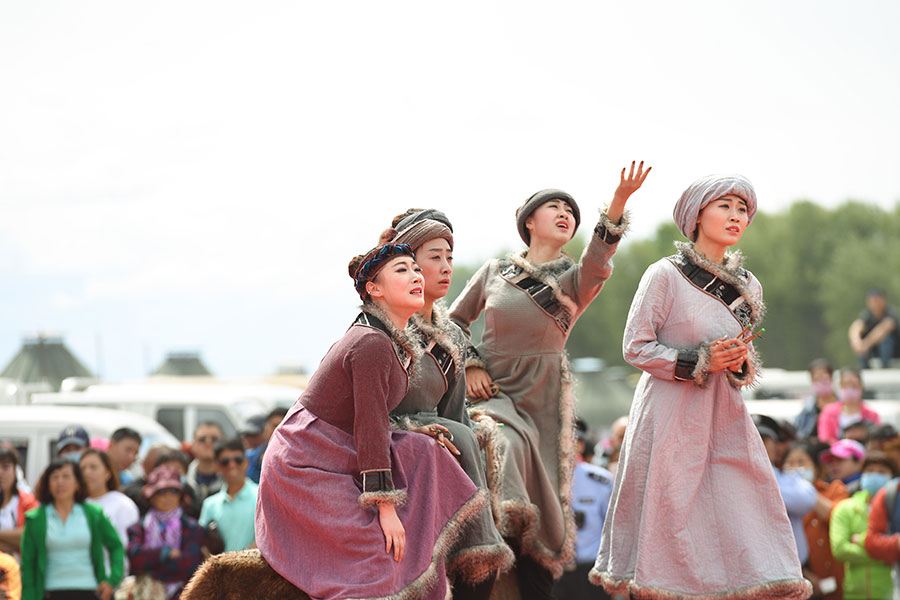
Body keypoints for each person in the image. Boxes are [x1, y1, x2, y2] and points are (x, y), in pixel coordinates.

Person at [591, 174, 811, 598]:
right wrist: (701, 359)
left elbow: (744, 358)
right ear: (696, 215)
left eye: (742, 209)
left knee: (740, 506)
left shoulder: (749, 285)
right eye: (724, 206)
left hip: (724, 414)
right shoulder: (664, 274)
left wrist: (738, 362)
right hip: (670, 410)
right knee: (670, 509)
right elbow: (635, 347)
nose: (735, 216)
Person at [449, 163, 649, 595]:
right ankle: (482, 550)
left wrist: (617, 202)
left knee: (541, 506)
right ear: (529, 221)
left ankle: (526, 575)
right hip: (493, 389)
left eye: (570, 211)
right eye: (553, 206)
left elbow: (600, 257)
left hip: (542, 395)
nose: (564, 213)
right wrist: (471, 363)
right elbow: (453, 323)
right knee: (498, 440)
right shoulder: (493, 271)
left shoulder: (576, 280)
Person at [256, 243, 485, 600]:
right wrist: (386, 507)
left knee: (427, 451)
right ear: (374, 290)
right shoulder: (372, 342)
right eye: (401, 270)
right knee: (375, 559)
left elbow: (376, 419)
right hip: (306, 462)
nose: (415, 276)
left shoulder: (394, 341)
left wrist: (412, 430)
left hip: (339, 451)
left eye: (414, 268)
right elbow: (369, 424)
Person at [386, 208, 513, 598]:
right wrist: (412, 431)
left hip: (451, 452)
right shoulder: (380, 330)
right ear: (405, 265)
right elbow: (364, 412)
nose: (445, 267)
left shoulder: (452, 335)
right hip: (394, 455)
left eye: (449, 257)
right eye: (433, 257)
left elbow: (455, 413)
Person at [21, 459, 123, 600]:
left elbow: (116, 546)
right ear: (47, 484)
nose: (60, 482)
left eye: (66, 476)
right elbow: (28, 564)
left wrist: (112, 580)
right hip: (50, 593)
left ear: (77, 483)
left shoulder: (93, 514)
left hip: (90, 592)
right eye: (55, 477)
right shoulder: (36, 518)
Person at [554, 419, 613, 600]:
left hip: (591, 573)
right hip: (555, 573)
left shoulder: (600, 480)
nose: (567, 446)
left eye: (574, 440)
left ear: (581, 445)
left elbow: (611, 529)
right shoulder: (543, 478)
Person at [126, 466, 205, 600]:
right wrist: (165, 553)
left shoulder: (191, 527)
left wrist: (149, 566)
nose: (168, 496)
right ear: (151, 496)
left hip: (183, 594)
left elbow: (189, 565)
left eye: (174, 491)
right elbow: (135, 559)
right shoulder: (139, 527)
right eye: (161, 491)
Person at [783, 440, 847, 600]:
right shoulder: (781, 499)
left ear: (816, 468)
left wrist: (805, 492)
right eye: (789, 463)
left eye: (802, 462)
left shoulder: (834, 489)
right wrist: (805, 574)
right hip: (801, 580)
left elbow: (838, 518)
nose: (795, 468)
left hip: (836, 582)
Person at [829, 451, 898, 600]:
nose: (875, 475)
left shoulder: (896, 510)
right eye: (870, 471)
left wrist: (861, 541)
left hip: (891, 590)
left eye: (881, 472)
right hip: (855, 592)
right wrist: (883, 552)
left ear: (892, 477)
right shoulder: (844, 508)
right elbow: (840, 549)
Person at [757, 419, 818, 568]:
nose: (756, 444)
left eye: (764, 440)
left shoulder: (789, 480)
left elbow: (806, 500)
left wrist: (759, 487)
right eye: (752, 437)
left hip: (790, 570)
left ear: (775, 447)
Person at [78, 449, 139, 573]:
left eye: (93, 467)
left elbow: (125, 549)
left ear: (107, 473)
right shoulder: (73, 505)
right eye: (82, 468)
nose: (87, 472)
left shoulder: (123, 505)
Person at [198, 438, 257, 552]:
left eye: (238, 460)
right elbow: (202, 544)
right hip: (220, 569)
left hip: (255, 568)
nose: (232, 465)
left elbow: (269, 539)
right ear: (217, 466)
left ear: (246, 463)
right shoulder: (210, 504)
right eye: (225, 461)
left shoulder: (261, 496)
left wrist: (240, 562)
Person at [817, 368, 880, 445]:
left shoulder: (872, 415)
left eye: (854, 385)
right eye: (845, 385)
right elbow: (825, 438)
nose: (849, 389)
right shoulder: (828, 412)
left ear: (861, 387)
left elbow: (876, 440)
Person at [0, 446, 38, 560]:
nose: (0, 472)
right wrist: (13, 540)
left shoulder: (28, 501)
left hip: (18, 571)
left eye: (5, 467)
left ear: (16, 471)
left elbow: (31, 535)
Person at [848, 288, 900, 369]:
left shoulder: (891, 313)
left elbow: (883, 329)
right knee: (861, 338)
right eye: (873, 301)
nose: (876, 304)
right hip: (873, 350)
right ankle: (864, 368)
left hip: (893, 352)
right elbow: (856, 327)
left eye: (877, 300)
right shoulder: (867, 315)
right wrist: (857, 343)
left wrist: (866, 344)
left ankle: (885, 367)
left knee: (885, 338)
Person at [794, 359, 838, 439]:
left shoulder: (843, 405)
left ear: (831, 378)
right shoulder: (808, 410)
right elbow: (799, 433)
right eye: (817, 379)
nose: (820, 382)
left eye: (824, 378)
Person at [244, 408, 287, 485]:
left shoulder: (295, 461)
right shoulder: (248, 458)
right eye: (275, 426)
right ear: (265, 429)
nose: (279, 430)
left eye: (283, 426)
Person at [185, 422, 224, 503]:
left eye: (214, 439)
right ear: (193, 445)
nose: (208, 443)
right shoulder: (183, 478)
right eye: (202, 439)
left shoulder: (233, 480)